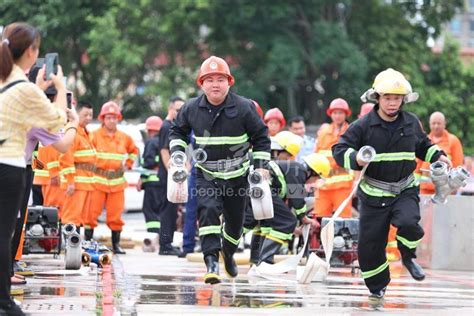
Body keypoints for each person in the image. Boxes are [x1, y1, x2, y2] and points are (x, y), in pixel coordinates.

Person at [332, 68, 451, 303]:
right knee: (370, 248)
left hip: (404, 189)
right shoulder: (363, 125)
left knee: (408, 223)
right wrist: (356, 158)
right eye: (388, 98)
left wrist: (438, 155)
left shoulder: (410, 122)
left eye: (397, 98)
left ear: (403, 100)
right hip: (373, 195)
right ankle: (378, 287)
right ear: (378, 98)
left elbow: (423, 145)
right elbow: (339, 150)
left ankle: (408, 256)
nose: (392, 103)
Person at [170, 56, 270, 284]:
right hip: (207, 174)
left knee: (235, 224)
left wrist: (262, 166)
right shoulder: (191, 108)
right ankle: (211, 262)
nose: (215, 84)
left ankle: (228, 253)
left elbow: (261, 137)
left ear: (229, 82)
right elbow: (177, 132)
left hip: (238, 175)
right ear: (201, 84)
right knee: (207, 213)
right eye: (210, 80)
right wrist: (178, 155)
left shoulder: (245, 108)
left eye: (220, 79)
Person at [0, 22, 68, 315]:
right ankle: (3, 301)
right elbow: (55, 121)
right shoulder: (25, 89)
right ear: (31, 52)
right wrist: (61, 87)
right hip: (9, 165)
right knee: (3, 235)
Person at [256, 153, 330, 265]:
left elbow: (287, 205)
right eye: (317, 178)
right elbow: (297, 200)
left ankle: (257, 261)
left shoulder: (292, 171)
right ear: (313, 172)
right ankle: (265, 262)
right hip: (264, 188)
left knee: (267, 224)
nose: (315, 182)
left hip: (261, 188)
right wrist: (305, 219)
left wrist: (293, 228)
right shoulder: (299, 170)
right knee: (287, 222)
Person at [88, 101, 138, 254]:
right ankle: (88, 244)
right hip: (97, 181)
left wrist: (128, 164)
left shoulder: (124, 137)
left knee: (116, 216)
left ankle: (116, 245)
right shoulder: (94, 136)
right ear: (103, 118)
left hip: (117, 182)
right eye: (108, 117)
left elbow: (133, 151)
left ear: (118, 119)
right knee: (91, 214)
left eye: (114, 117)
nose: (112, 120)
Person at [314, 98, 354, 218]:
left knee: (343, 220)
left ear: (346, 114)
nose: (337, 116)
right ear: (331, 114)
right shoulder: (323, 132)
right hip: (323, 185)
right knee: (319, 218)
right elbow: (316, 157)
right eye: (335, 113)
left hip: (342, 186)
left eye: (340, 113)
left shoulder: (351, 132)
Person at [59, 101, 96, 231]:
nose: (89, 118)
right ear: (76, 114)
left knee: (80, 218)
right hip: (75, 185)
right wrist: (70, 181)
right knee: (71, 217)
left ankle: (75, 248)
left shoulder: (86, 133)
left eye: (91, 115)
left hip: (85, 184)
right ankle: (69, 248)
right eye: (85, 115)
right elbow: (66, 157)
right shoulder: (72, 132)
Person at [157, 96, 185, 256]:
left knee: (173, 210)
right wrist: (172, 172)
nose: (180, 113)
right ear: (170, 109)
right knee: (168, 211)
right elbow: (164, 150)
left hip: (173, 176)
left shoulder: (174, 126)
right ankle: (165, 245)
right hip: (168, 176)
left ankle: (168, 243)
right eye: (177, 110)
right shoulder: (166, 126)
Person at [416, 111, 464, 194]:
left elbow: (457, 166)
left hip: (445, 191)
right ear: (429, 124)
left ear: (444, 124)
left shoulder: (453, 141)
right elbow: (417, 167)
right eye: (433, 123)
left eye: (439, 123)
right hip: (424, 190)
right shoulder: (424, 142)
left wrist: (453, 186)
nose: (436, 126)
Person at [138, 116, 163, 251]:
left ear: (150, 130)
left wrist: (142, 177)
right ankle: (160, 240)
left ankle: (153, 239)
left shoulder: (151, 142)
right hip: (163, 184)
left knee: (150, 212)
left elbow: (148, 163)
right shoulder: (166, 141)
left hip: (152, 184)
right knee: (160, 213)